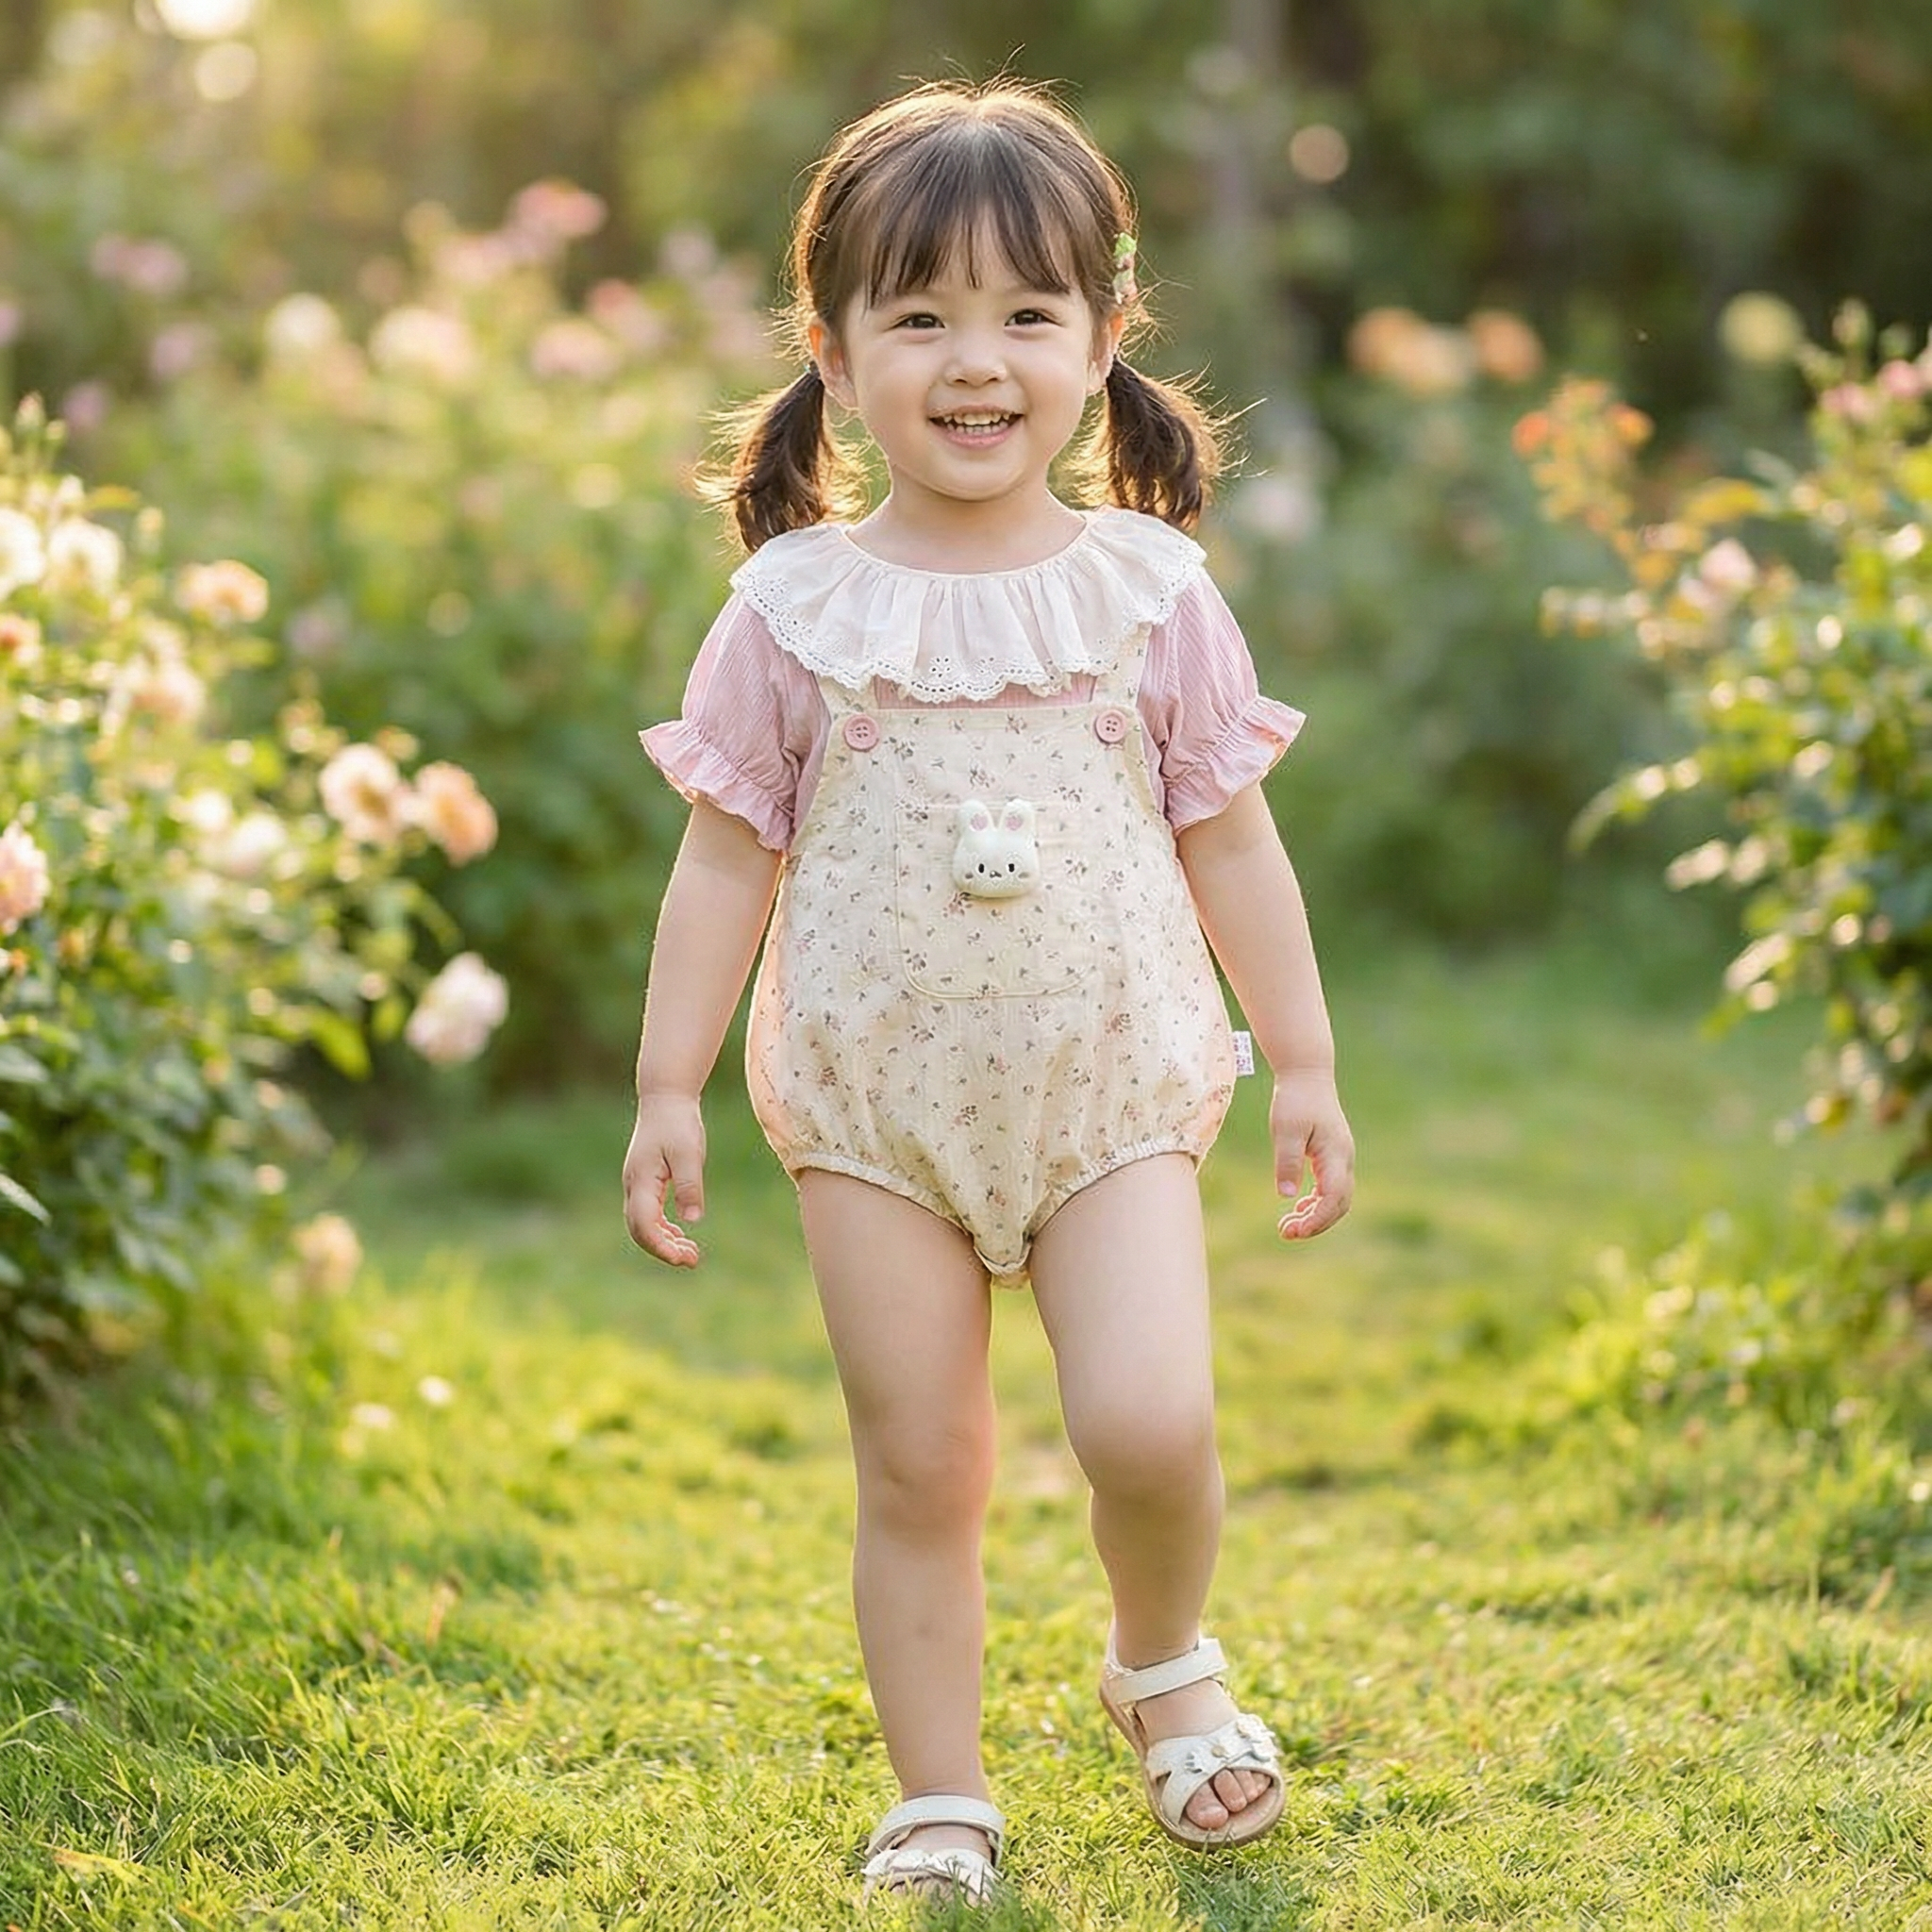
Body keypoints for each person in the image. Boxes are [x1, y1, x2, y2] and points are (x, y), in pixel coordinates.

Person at [623, 76, 1355, 1907]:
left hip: (1111, 1086)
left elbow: (1232, 841)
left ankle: (1160, 1660)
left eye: (1028, 314)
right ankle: (937, 1789)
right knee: (921, 1458)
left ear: (1103, 339)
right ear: (833, 346)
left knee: (1144, 1419)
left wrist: (1305, 1063)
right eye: (921, 314)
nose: (976, 359)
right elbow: (723, 858)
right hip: (876, 1110)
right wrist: (663, 1088)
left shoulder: (1147, 590)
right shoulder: (795, 610)